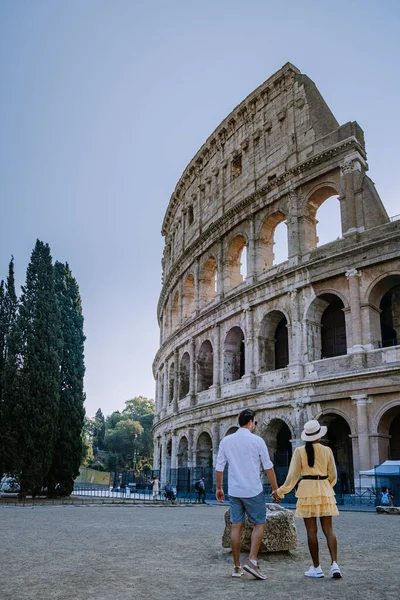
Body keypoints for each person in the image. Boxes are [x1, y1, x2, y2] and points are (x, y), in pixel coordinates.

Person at [271, 419, 341, 579]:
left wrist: (280, 492)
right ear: (319, 435)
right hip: (324, 488)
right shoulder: (327, 450)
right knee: (329, 530)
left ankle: (316, 567)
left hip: (307, 489)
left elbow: (293, 477)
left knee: (311, 531)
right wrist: (326, 487)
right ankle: (335, 565)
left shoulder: (299, 451)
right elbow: (333, 475)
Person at [215, 408, 279, 580]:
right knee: (259, 523)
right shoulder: (257, 441)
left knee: (236, 526)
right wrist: (275, 488)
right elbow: (268, 467)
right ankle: (252, 560)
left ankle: (237, 567)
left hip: (235, 491)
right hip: (253, 490)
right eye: (255, 422)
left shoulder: (226, 441)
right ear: (250, 422)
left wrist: (219, 488)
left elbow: (219, 467)